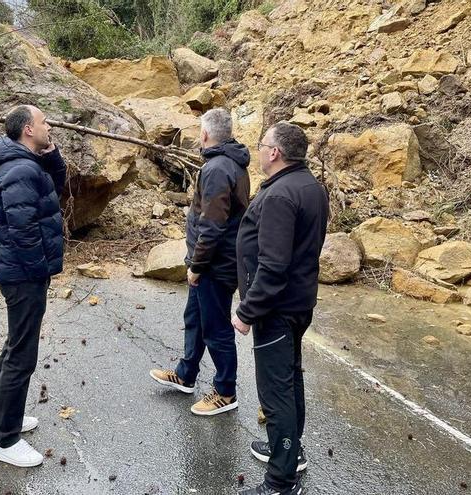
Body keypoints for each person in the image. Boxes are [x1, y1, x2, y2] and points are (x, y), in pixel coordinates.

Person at [232, 122, 328, 495]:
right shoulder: (311, 187)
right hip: (299, 302)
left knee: (276, 393)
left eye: (262, 145)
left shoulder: (279, 195)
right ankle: (288, 450)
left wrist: (246, 310)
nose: (258, 151)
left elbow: (273, 265)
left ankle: (280, 482)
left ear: (275, 153)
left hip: (277, 308)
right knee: (291, 377)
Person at [150, 108, 251, 416]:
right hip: (214, 261)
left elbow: (213, 225)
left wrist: (196, 265)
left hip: (215, 265)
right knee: (195, 318)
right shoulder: (229, 163)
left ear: (206, 135)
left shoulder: (218, 169)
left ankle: (225, 391)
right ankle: (186, 373)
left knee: (216, 328)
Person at [0, 105, 66, 467]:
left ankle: (2, 420)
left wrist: (53, 156)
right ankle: (4, 439)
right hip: (23, 276)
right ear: (29, 130)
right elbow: (22, 230)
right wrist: (38, 271)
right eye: (45, 122)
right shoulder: (19, 170)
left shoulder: (27, 164)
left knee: (15, 346)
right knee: (22, 355)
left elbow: (54, 190)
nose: (50, 126)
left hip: (21, 274)